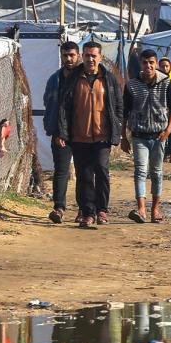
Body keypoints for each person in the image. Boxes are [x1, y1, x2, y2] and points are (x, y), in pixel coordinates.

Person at [57, 41, 124, 229]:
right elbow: (64, 108)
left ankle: (102, 210)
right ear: (82, 57)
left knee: (101, 170)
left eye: (94, 55)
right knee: (84, 175)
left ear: (100, 57)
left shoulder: (109, 79)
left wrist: (117, 128)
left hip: (103, 136)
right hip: (79, 136)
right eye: (87, 55)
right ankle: (87, 213)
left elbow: (118, 106)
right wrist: (63, 132)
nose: (90, 59)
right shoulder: (73, 79)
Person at [122, 49, 171, 223]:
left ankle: (155, 209)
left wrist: (168, 130)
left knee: (157, 172)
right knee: (140, 171)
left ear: (156, 63)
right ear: (140, 64)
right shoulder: (132, 85)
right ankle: (141, 209)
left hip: (159, 135)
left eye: (151, 62)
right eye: (145, 63)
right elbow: (125, 112)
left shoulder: (166, 83)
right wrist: (124, 136)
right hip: (139, 135)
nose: (148, 66)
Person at [43, 41, 82, 224]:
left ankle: (84, 209)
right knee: (61, 171)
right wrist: (56, 131)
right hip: (60, 134)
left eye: (72, 55)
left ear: (78, 56)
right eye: (65, 55)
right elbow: (50, 105)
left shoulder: (84, 78)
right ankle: (59, 208)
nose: (69, 59)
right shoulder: (55, 80)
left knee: (84, 172)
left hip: (83, 133)